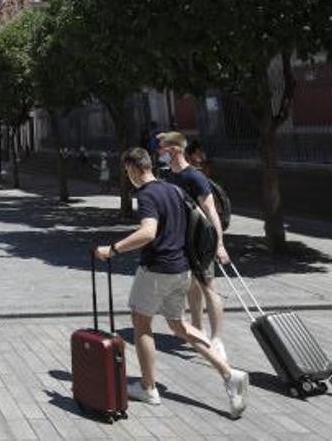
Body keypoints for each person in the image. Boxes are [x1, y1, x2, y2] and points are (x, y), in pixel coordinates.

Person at [94, 147, 248, 419]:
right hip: (182, 269)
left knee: (141, 323)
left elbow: (148, 232)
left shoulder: (147, 195)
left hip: (157, 269)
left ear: (133, 168)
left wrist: (113, 249)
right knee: (179, 326)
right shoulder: (172, 189)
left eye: (127, 171)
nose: (127, 176)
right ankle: (228, 372)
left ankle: (148, 387)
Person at [158, 131, 229, 361]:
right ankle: (198, 329)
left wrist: (219, 245)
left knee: (209, 288)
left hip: (201, 241)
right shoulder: (169, 177)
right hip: (182, 241)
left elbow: (212, 213)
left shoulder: (195, 178)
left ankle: (217, 338)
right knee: (191, 288)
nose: (159, 152)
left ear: (175, 150)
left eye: (163, 148)